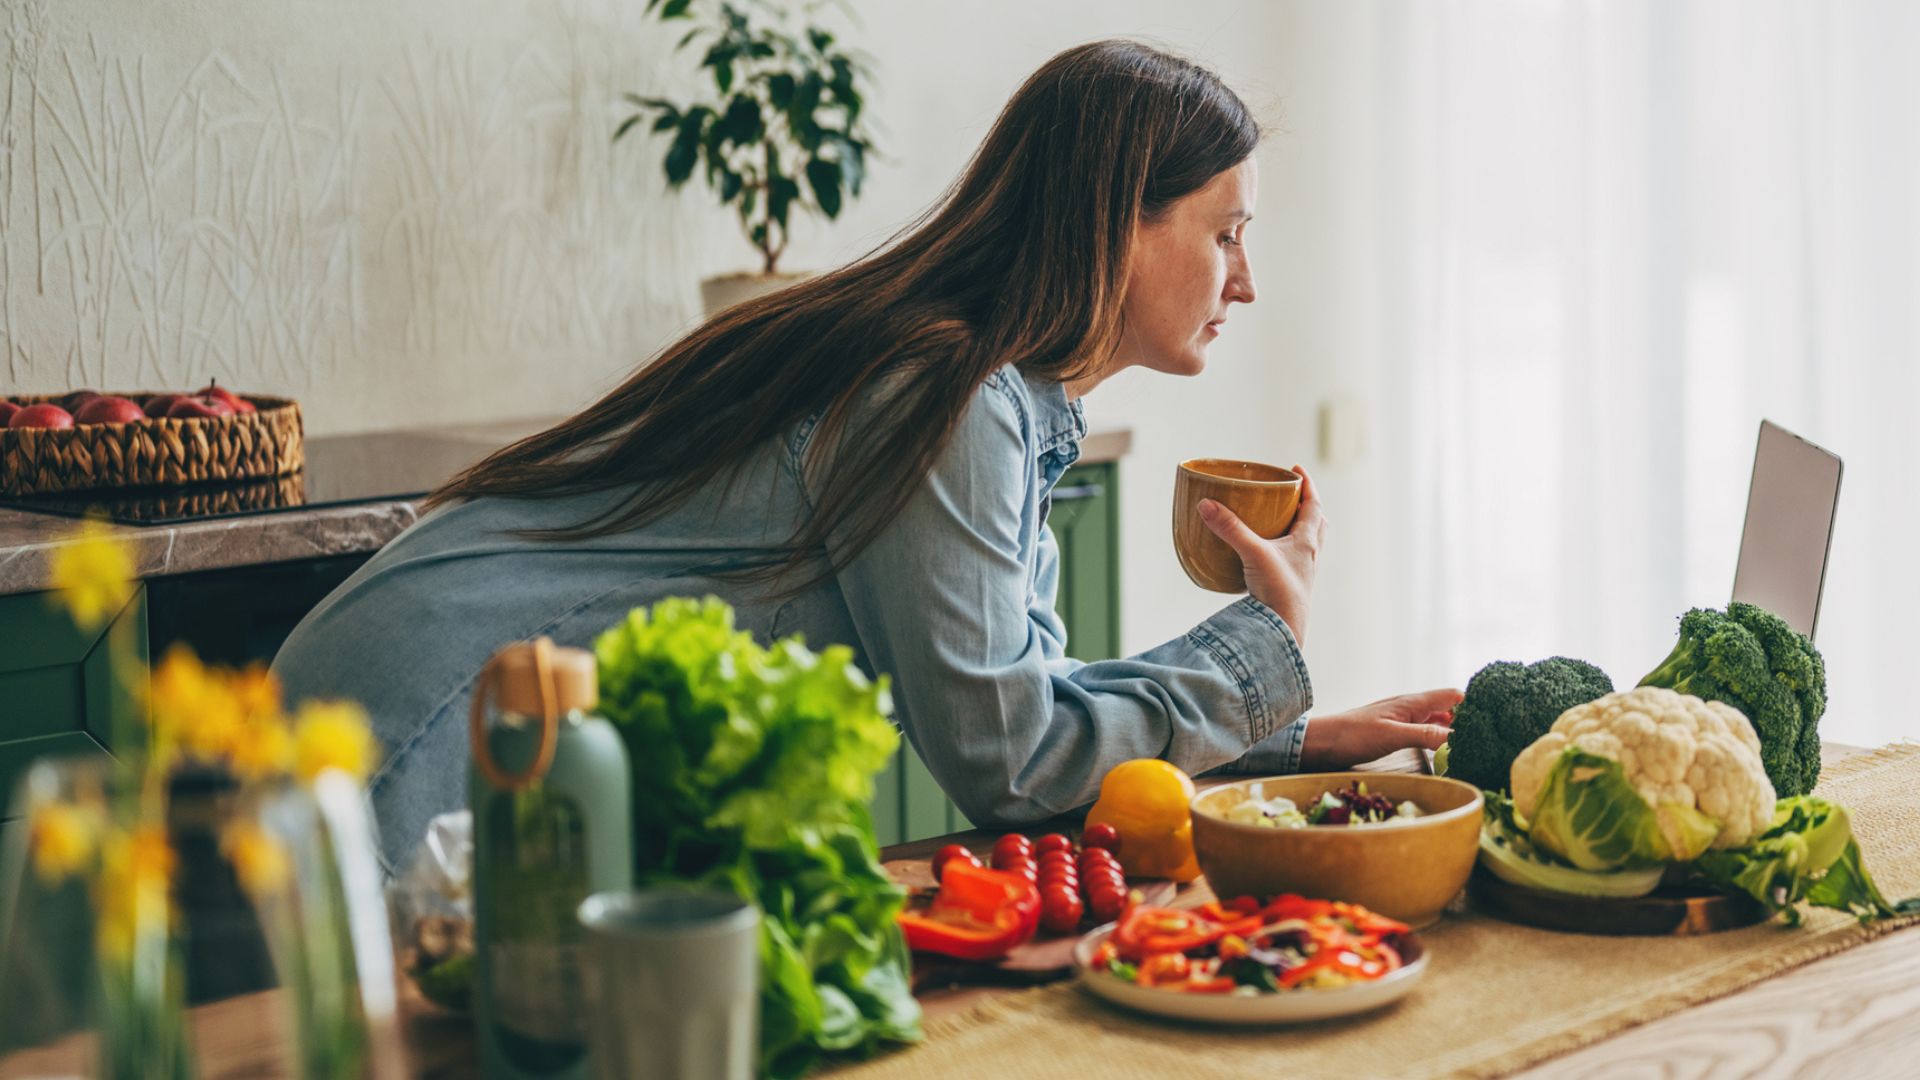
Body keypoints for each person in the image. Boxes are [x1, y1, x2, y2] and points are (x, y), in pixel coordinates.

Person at [273, 39, 1461, 872]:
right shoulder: (947, 397)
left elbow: (1026, 703)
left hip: (452, 702)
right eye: (1226, 233)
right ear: (1118, 224)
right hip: (420, 718)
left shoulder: (989, 392)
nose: (1245, 282)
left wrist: (1294, 737)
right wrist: (1269, 636)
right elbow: (1013, 761)